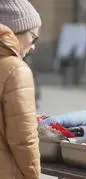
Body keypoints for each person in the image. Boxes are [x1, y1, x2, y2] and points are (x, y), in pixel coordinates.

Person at [0, 0, 42, 178]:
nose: (33, 46)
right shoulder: (16, 69)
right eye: (34, 37)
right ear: (16, 30)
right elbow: (24, 141)